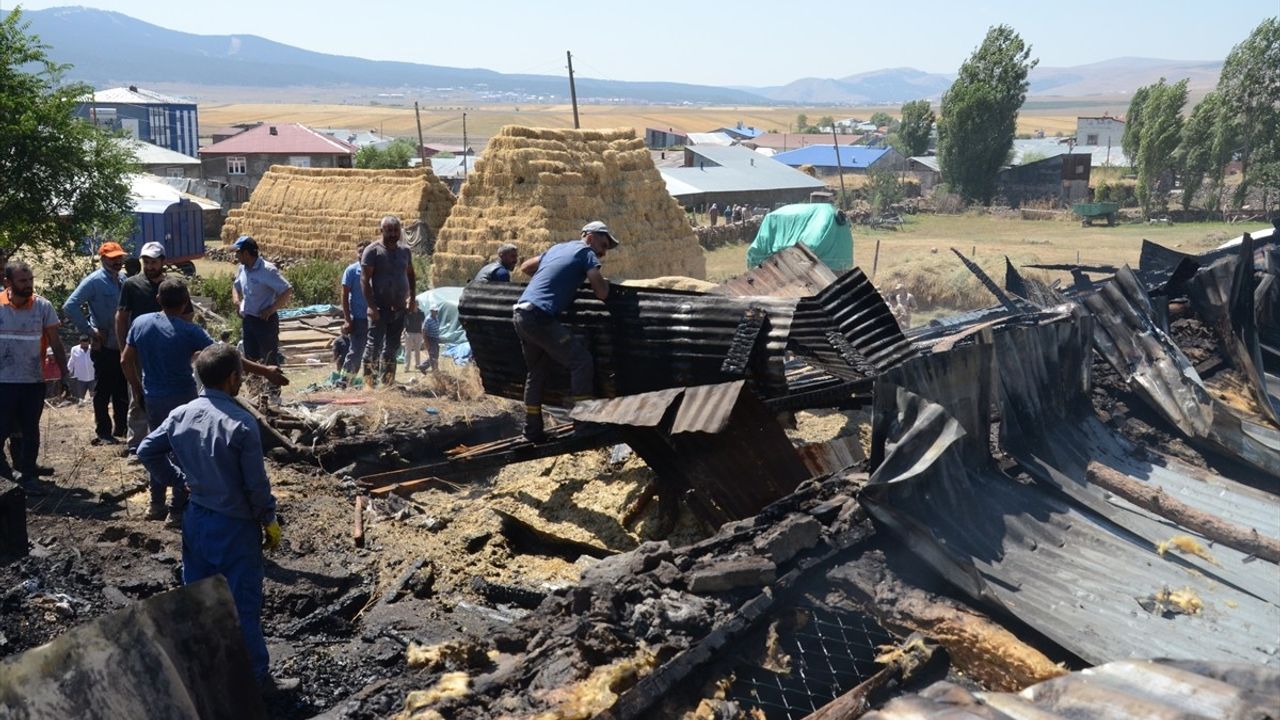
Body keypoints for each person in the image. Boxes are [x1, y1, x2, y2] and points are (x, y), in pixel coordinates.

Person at [137, 344, 293, 694]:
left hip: (196, 521)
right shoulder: (241, 423)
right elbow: (256, 484)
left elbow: (147, 450)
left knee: (200, 601)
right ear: (232, 378)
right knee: (243, 604)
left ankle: (206, 675)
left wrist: (180, 480)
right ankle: (256, 681)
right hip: (234, 527)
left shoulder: (181, 414)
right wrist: (268, 518)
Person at [124, 278, 289, 522]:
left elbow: (125, 360)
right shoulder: (189, 331)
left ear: (158, 299)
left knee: (156, 447)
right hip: (182, 399)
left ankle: (155, 504)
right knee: (182, 453)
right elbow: (225, 356)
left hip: (153, 397)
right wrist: (265, 371)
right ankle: (177, 509)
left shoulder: (140, 323)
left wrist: (138, 390)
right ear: (185, 302)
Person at [513, 221, 616, 442]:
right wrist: (601, 281)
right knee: (581, 361)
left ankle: (532, 432)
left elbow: (525, 267)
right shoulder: (585, 252)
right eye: (603, 244)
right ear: (589, 236)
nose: (603, 252)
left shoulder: (558, 248)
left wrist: (556, 280)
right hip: (539, 317)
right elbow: (602, 294)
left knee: (536, 372)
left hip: (521, 314)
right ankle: (584, 424)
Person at [116, 241, 192, 456]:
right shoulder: (132, 285)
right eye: (146, 262)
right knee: (138, 394)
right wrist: (124, 348)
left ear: (163, 262)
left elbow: (187, 316)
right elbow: (121, 318)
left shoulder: (174, 286)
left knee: (170, 394)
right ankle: (136, 445)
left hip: (170, 349)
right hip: (141, 349)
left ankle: (170, 441)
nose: (149, 266)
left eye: (153, 262)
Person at [0, 261, 69, 482]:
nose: (28, 285)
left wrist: (64, 374)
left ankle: (28, 474)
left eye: (30, 280)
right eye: (22, 281)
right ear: (7, 283)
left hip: (33, 381)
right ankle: (5, 476)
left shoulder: (43, 306)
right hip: (4, 382)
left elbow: (56, 343)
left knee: (30, 431)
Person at [65, 242, 127, 445]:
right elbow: (70, 306)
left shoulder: (123, 279)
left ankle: (122, 430)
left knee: (121, 389)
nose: (117, 261)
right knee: (103, 389)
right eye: (112, 258)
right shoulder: (94, 281)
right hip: (105, 345)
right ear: (103, 259)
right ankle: (103, 431)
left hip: (122, 344)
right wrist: (90, 332)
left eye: (119, 257)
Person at [360, 216, 416, 388]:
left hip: (399, 309)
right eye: (389, 230)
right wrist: (371, 306)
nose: (392, 234)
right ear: (381, 231)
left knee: (392, 348)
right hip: (379, 309)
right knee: (373, 347)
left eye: (395, 230)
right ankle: (369, 385)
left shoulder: (405, 251)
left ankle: (388, 384)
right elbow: (364, 280)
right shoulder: (373, 251)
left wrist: (412, 299)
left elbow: (411, 275)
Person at [231, 235, 293, 372]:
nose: (236, 256)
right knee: (251, 359)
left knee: (268, 358)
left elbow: (287, 290)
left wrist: (271, 309)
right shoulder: (242, 269)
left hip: (265, 322)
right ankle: (256, 391)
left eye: (238, 253)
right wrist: (236, 301)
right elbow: (236, 286)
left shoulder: (268, 270)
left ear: (246, 253)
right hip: (248, 320)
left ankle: (272, 391)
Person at [337, 240, 370, 388]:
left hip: (374, 319)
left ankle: (370, 383)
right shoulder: (351, 271)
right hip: (358, 319)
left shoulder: (376, 270)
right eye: (360, 250)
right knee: (355, 352)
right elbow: (344, 296)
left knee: (372, 353)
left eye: (365, 250)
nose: (362, 253)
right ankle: (344, 382)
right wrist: (347, 319)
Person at [67, 335, 96, 402]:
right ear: (80, 342)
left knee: (94, 396)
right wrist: (69, 371)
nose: (85, 344)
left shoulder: (93, 348)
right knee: (80, 398)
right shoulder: (74, 349)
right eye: (83, 343)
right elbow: (72, 361)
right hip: (80, 378)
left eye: (87, 343)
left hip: (92, 377)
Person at [403, 304, 425, 373]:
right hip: (409, 333)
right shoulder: (408, 312)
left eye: (415, 304)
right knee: (408, 351)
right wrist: (404, 329)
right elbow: (403, 320)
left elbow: (424, 322)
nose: (413, 306)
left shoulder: (421, 313)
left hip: (418, 333)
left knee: (417, 351)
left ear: (417, 305)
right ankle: (406, 367)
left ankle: (418, 365)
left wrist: (422, 331)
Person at [419, 305, 441, 373]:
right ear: (431, 311)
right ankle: (435, 370)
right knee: (433, 355)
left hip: (435, 339)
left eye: (437, 311)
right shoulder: (428, 319)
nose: (436, 312)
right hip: (430, 339)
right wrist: (426, 342)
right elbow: (423, 330)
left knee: (436, 355)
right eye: (435, 311)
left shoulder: (436, 318)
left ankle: (423, 366)